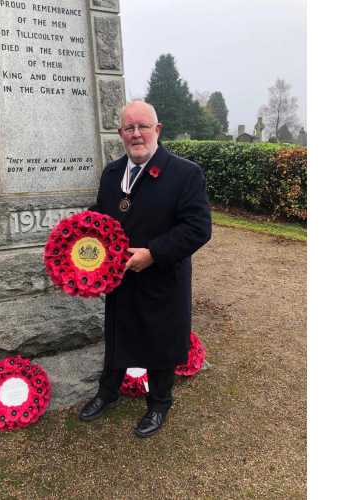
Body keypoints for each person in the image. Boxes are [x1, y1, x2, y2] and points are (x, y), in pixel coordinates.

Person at [80, 100, 212, 438]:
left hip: (162, 277)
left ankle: (158, 403)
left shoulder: (185, 174)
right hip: (119, 277)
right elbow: (102, 215)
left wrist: (153, 253)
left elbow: (198, 228)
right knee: (118, 334)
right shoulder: (112, 173)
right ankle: (107, 393)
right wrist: (79, 237)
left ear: (158, 130)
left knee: (160, 341)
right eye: (129, 128)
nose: (136, 134)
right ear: (120, 133)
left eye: (143, 126)